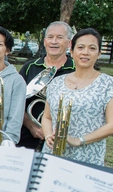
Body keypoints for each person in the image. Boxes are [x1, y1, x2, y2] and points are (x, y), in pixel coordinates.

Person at [41, 28, 113, 166]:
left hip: (87, 156)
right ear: (72, 52)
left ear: (99, 54)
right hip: (52, 154)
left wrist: (79, 140)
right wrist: (48, 135)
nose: (85, 52)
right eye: (80, 47)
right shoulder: (56, 82)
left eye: (92, 48)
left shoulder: (110, 85)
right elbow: (47, 117)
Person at [18, 21, 75, 150]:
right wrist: (32, 126)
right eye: (50, 37)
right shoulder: (29, 67)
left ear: (69, 43)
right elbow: (16, 102)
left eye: (60, 37)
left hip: (62, 140)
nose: (54, 41)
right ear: (44, 41)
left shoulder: (75, 70)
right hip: (27, 137)